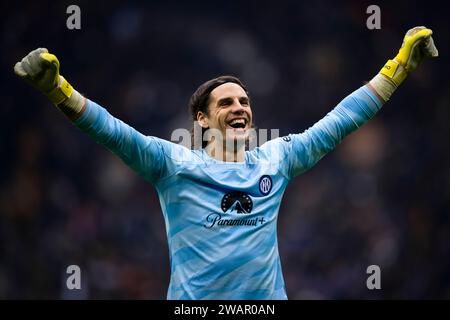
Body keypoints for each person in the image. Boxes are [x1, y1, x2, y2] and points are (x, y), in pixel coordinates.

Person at [14, 26, 438, 299]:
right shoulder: (172, 164)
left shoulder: (278, 157)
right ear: (200, 118)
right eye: (227, 102)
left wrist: (397, 68)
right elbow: (111, 130)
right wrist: (59, 90)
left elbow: (342, 120)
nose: (240, 107)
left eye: (245, 101)